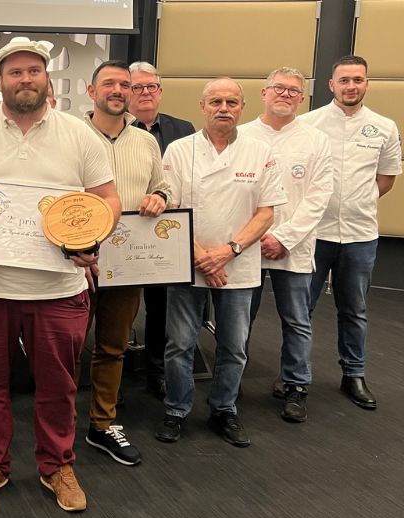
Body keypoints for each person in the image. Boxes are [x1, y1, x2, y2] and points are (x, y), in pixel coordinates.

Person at [0, 41, 121, 511]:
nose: (25, 79)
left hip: (58, 288)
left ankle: (57, 465)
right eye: (15, 72)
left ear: (48, 80)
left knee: (58, 386)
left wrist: (91, 239)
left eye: (34, 70)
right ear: (0, 81)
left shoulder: (79, 135)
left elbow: (109, 200)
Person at [154, 78, 286, 448]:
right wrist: (201, 256)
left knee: (234, 346)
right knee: (179, 344)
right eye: (216, 101)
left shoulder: (261, 152)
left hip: (239, 265)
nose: (223, 108)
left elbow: (266, 214)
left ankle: (224, 409)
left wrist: (227, 252)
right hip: (188, 262)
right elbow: (171, 208)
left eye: (231, 101)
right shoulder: (179, 151)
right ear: (203, 106)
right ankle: (176, 409)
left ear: (242, 107)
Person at [81, 60, 170, 466]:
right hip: (76, 260)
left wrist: (161, 198)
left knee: (113, 347)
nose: (118, 90)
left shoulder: (146, 142)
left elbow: (163, 184)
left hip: (128, 261)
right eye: (109, 83)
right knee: (64, 349)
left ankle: (102, 423)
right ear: (91, 91)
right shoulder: (71, 135)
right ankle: (59, 423)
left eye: (125, 85)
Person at [300, 55, 401, 410]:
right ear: (332, 85)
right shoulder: (307, 125)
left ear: (367, 84)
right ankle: (294, 375)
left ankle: (353, 374)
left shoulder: (384, 127)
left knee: (354, 309)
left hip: (360, 235)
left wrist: (361, 200)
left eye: (358, 80)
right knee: (301, 309)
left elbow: (387, 177)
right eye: (344, 80)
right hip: (314, 234)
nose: (351, 86)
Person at [239, 67, 333, 423]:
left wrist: (284, 236)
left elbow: (319, 195)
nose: (286, 95)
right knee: (239, 319)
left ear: (303, 98)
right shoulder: (242, 135)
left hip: (293, 246)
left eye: (294, 91)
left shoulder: (316, 139)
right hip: (246, 245)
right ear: (264, 93)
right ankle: (232, 380)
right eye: (279, 88)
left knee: (296, 319)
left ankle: (296, 385)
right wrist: (251, 237)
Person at [127, 61, 196, 401]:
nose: (144, 93)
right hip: (122, 231)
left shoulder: (184, 129)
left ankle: (157, 371)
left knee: (160, 307)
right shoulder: (113, 127)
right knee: (113, 306)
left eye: (150, 86)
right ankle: (106, 369)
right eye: (136, 87)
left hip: (166, 234)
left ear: (160, 91)